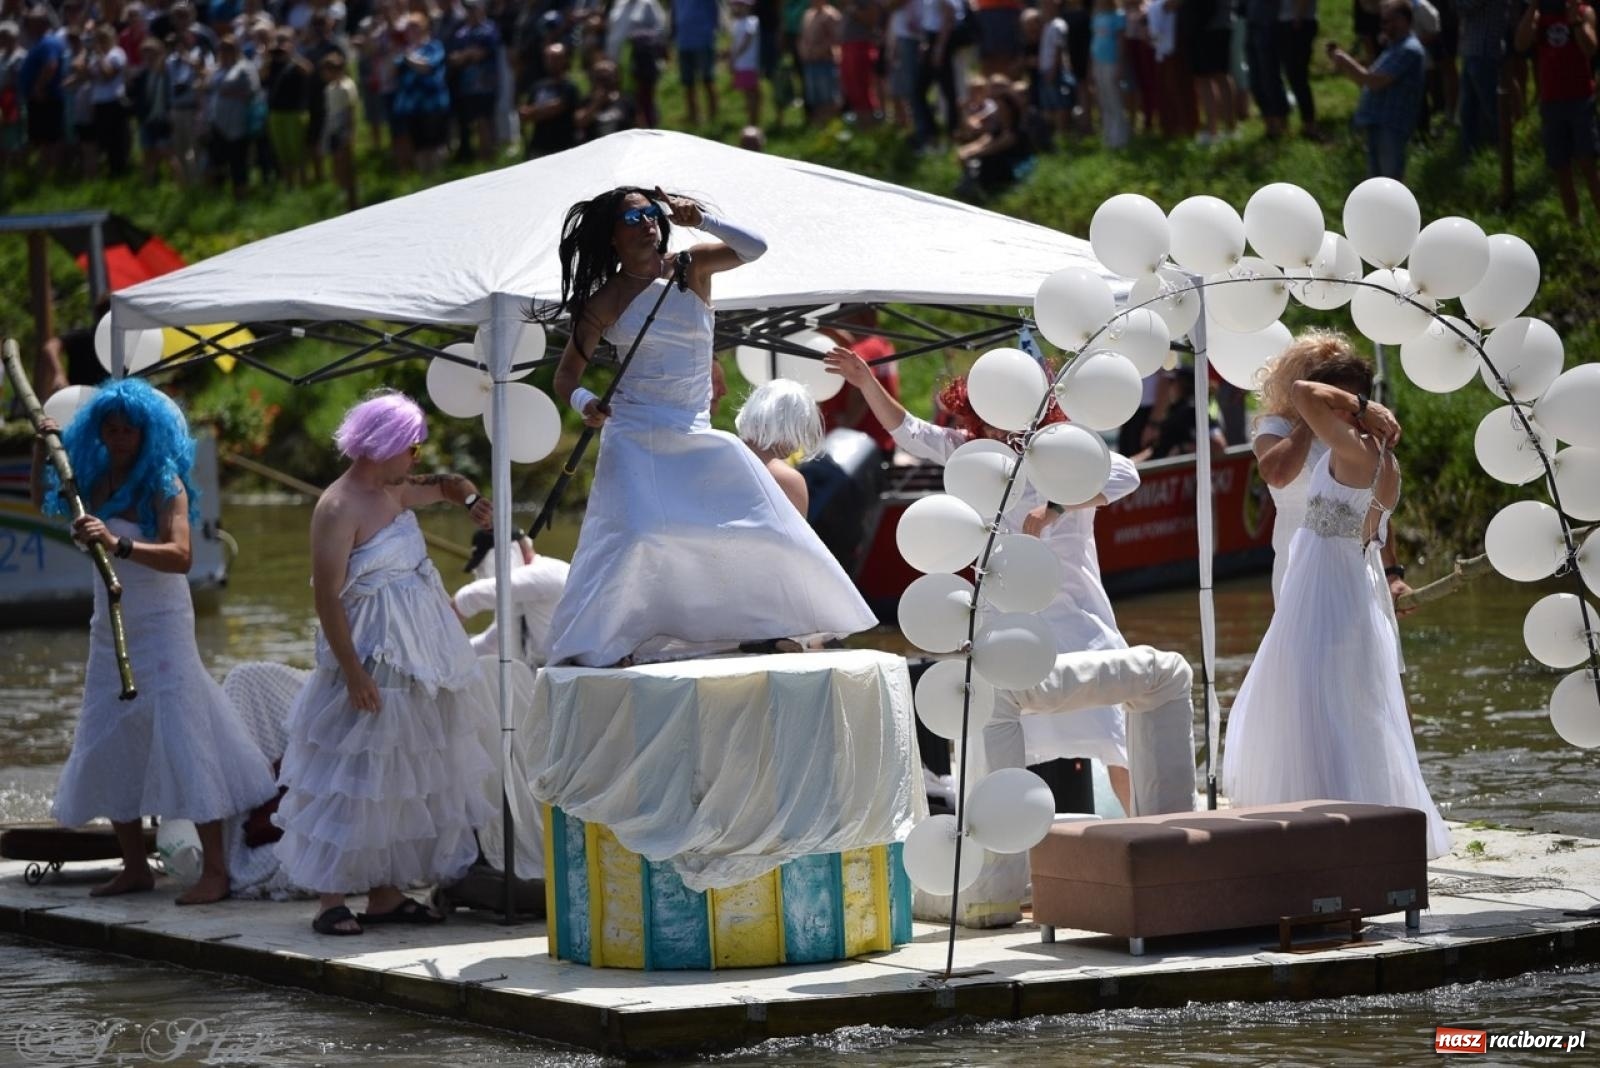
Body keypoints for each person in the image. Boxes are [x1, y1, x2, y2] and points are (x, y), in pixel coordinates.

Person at [543, 187, 878, 666]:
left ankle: (764, 625)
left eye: (650, 213)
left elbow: (754, 247)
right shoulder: (604, 301)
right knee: (635, 534)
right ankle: (610, 639)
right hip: (634, 430)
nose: (646, 222)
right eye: (632, 217)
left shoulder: (690, 266)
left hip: (692, 426)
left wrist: (702, 220)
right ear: (612, 236)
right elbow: (566, 377)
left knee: (764, 526)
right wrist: (586, 401)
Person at [825, 350, 1140, 814]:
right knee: (1004, 741)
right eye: (985, 418)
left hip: (1079, 624)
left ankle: (1144, 824)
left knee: (1116, 738)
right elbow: (911, 431)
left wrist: (1054, 507)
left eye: (1003, 416)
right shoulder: (973, 457)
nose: (995, 429)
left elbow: (1124, 474)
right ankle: (1006, 850)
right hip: (1010, 629)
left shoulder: (1065, 451)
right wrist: (867, 382)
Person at [30, 379, 278, 905]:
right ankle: (136, 866)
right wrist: (40, 448)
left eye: (129, 430)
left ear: (148, 432)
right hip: (111, 629)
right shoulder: (93, 479)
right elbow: (45, 502)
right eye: (111, 429)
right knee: (109, 731)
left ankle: (215, 869)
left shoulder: (167, 483)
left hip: (162, 626)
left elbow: (181, 556)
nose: (120, 438)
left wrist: (117, 542)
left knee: (183, 734)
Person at [274, 391, 499, 936]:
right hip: (369, 655)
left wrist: (470, 502)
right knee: (352, 774)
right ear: (385, 446)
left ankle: (385, 895)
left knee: (397, 776)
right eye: (412, 448)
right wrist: (352, 672)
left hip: (418, 654)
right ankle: (330, 898)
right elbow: (327, 596)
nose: (416, 458)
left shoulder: (395, 490)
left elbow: (449, 485)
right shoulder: (338, 506)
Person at [1222, 351, 1452, 859]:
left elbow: (1304, 392)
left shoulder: (1351, 447)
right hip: (1342, 576)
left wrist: (1358, 407)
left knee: (1318, 698)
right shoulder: (1379, 457)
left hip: (1325, 584)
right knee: (1343, 695)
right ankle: (1346, 809)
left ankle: (1332, 813)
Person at [1253, 330, 1414, 610]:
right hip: (1298, 561)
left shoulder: (1356, 431)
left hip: (1359, 560)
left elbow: (1374, 504)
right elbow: (1277, 475)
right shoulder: (1276, 428)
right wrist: (1313, 416)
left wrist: (1393, 574)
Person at [1514, 0, 1600, 224]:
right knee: (1561, 165)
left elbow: (1591, 49)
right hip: (1551, 101)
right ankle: (1575, 222)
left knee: (1588, 163)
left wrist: (1577, 22)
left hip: (1581, 99)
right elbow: (1520, 44)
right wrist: (1532, 8)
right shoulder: (1539, 14)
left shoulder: (1583, 11)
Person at [1327, 0, 1426, 179]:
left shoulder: (1409, 50)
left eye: (1388, 21)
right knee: (1376, 183)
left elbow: (1374, 82)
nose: (1383, 26)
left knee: (1390, 183)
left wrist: (1346, 62)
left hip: (1392, 125)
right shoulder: (1393, 48)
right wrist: (1345, 66)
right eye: (1382, 21)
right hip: (1378, 122)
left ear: (1403, 21)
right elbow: (1366, 82)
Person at [454, 527, 570, 666]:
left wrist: (436, 639)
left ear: (511, 552)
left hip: (575, 676)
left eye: (484, 565)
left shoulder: (549, 572)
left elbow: (470, 597)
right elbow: (492, 642)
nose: (481, 575)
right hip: (547, 678)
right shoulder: (521, 600)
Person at [736, 377, 826, 514]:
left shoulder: (716, 457)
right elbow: (796, 535)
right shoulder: (788, 480)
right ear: (788, 426)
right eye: (800, 431)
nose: (796, 447)